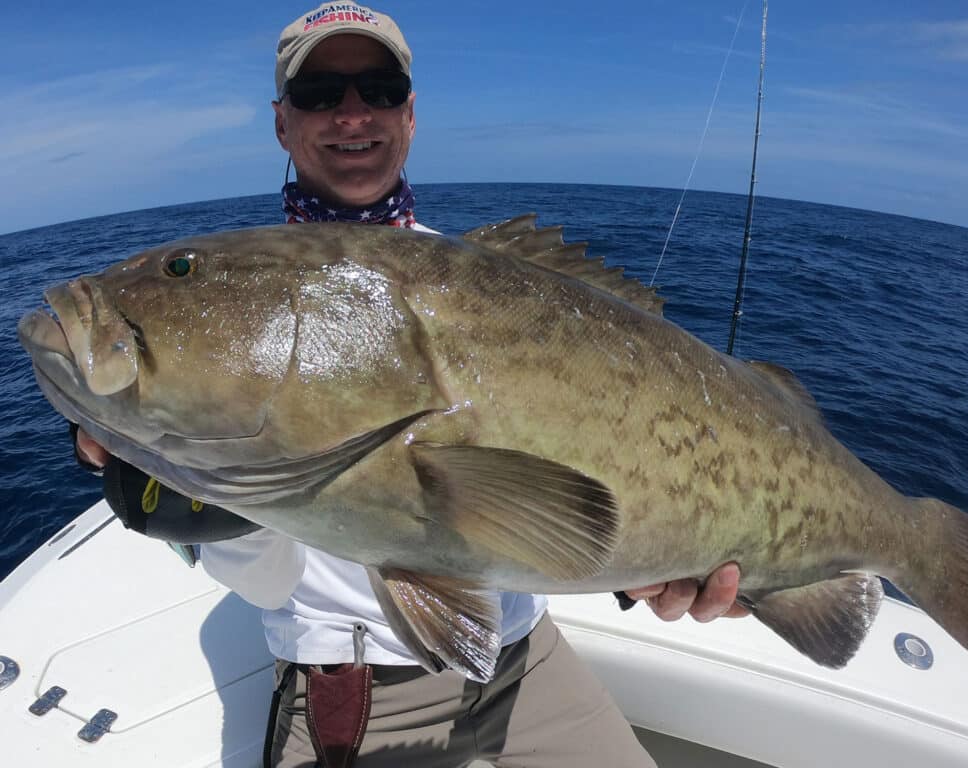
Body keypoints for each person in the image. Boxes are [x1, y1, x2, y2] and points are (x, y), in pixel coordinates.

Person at [75, 4, 746, 766]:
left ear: (411, 113)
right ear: (282, 123)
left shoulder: (496, 283)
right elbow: (265, 583)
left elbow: (592, 447)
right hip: (361, 693)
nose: (352, 113)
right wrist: (156, 450)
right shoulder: (245, 296)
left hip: (528, 657)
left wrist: (649, 564)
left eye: (380, 87)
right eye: (321, 92)